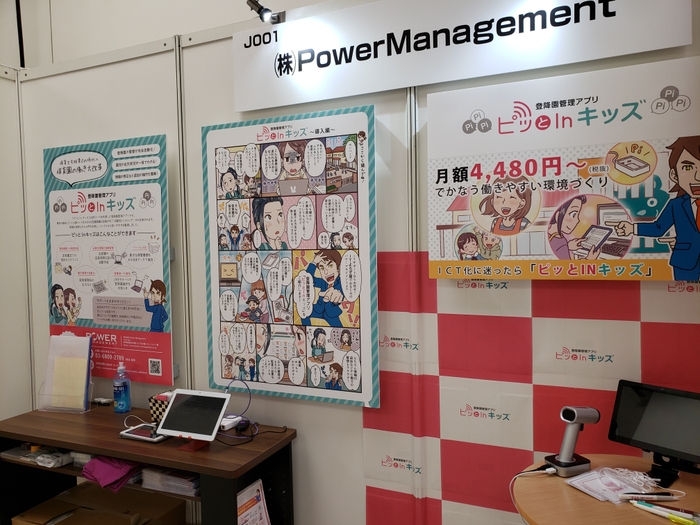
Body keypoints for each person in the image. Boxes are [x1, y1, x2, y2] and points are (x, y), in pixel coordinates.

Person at [611, 136, 700, 280]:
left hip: (683, 256)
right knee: (683, 292)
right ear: (674, 175)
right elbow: (658, 228)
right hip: (684, 261)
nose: (698, 176)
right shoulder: (676, 204)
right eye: (688, 167)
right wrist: (631, 228)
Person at [548, 195, 600, 260]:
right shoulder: (559, 242)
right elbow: (567, 265)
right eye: (573, 214)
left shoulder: (551, 235)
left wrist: (568, 246)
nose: (577, 220)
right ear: (558, 216)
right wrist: (589, 259)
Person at [301, 249, 344, 327]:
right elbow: (308, 279)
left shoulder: (341, 283)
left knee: (339, 329)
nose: (326, 272)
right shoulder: (323, 282)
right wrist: (314, 263)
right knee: (304, 313)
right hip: (318, 309)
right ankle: (308, 330)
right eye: (322, 268)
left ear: (338, 267)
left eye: (330, 265)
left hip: (331, 313)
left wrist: (336, 299)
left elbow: (339, 295)